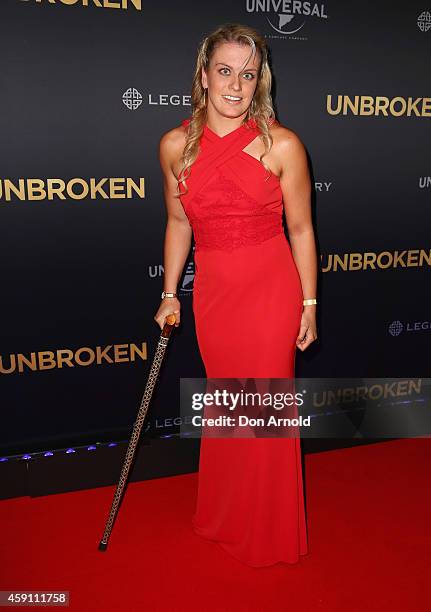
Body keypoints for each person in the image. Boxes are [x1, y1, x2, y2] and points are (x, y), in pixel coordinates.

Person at [154, 23, 318, 567]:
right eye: (224, 71)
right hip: (217, 297)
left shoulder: (283, 145)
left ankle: (267, 531)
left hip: (272, 292)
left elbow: (300, 231)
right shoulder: (175, 146)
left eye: (247, 75)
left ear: (260, 83)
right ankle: (225, 513)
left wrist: (309, 304)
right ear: (203, 76)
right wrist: (170, 292)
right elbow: (179, 222)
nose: (235, 85)